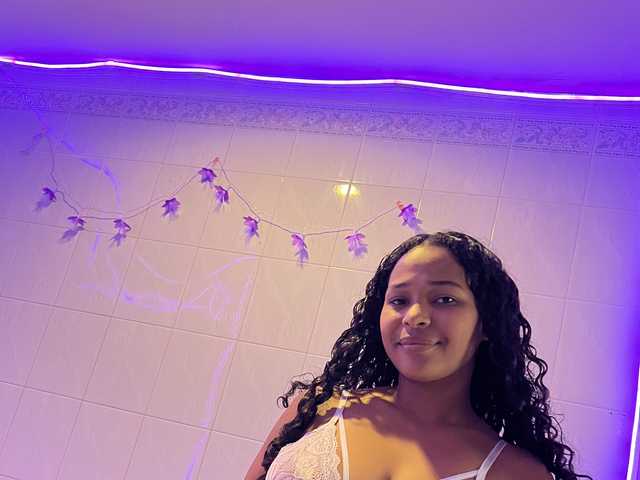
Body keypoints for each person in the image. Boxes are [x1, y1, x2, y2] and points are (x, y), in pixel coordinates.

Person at [244, 231, 593, 480]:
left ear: (486, 323)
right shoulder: (317, 408)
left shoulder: (517, 473)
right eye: (399, 300)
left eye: (444, 299)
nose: (415, 317)